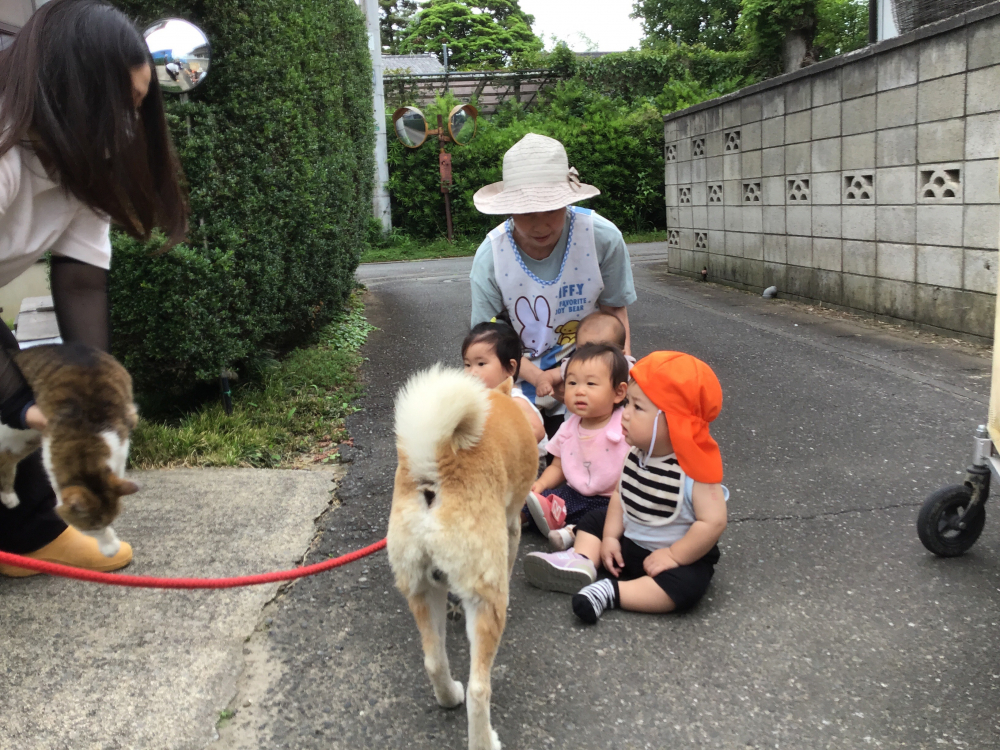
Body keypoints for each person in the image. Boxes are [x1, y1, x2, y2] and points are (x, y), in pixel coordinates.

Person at [0, 0, 188, 577]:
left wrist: (94, 396)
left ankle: (28, 535)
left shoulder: (79, 164)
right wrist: (23, 402)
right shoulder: (6, 152)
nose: (131, 126)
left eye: (139, 108)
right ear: (70, 89)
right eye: (122, 106)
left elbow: (81, 282)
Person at [522, 352, 729, 624]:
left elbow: (713, 522)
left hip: (671, 555)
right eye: (628, 403)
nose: (625, 415)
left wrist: (674, 555)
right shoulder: (635, 454)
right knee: (595, 518)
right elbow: (620, 494)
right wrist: (609, 537)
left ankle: (612, 592)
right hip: (627, 543)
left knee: (688, 584)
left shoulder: (695, 470)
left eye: (637, 408)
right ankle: (581, 559)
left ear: (677, 419)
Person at [469, 133, 637, 435]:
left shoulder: (602, 238)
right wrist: (538, 379)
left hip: (589, 372)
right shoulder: (491, 256)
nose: (540, 224)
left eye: (551, 208)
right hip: (518, 375)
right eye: (526, 212)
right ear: (508, 208)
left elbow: (615, 318)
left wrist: (603, 382)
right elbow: (486, 346)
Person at [525, 343, 631, 548]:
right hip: (574, 493)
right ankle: (515, 521)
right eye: (572, 383)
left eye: (591, 384)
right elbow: (557, 466)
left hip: (612, 500)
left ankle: (571, 532)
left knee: (609, 522)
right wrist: (541, 485)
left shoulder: (625, 424)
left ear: (619, 392)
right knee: (538, 500)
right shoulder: (569, 426)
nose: (579, 391)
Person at [461, 319, 547, 454]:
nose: (472, 372)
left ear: (510, 368)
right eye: (467, 365)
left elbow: (537, 431)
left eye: (481, 364)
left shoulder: (515, 400)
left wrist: (504, 448)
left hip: (526, 464)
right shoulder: (479, 398)